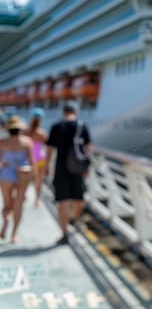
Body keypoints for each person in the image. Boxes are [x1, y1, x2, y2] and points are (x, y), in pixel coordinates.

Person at [45, 100, 92, 245]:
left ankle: (64, 233)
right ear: (76, 112)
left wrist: (46, 166)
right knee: (79, 198)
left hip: (61, 168)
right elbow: (89, 148)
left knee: (62, 202)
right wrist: (86, 167)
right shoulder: (82, 125)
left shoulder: (56, 126)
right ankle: (75, 220)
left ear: (63, 112)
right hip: (78, 168)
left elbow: (50, 149)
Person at [0, 116, 37, 243]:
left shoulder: (2, 142)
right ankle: (14, 235)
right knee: (18, 205)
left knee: (7, 204)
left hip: (5, 175)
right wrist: (36, 179)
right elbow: (32, 162)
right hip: (22, 175)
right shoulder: (27, 142)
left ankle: (5, 222)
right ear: (20, 129)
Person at [23, 107, 48, 207]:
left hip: (28, 158)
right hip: (40, 158)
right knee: (39, 180)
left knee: (26, 180)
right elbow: (46, 145)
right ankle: (37, 199)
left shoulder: (25, 132)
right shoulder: (42, 133)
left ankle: (23, 196)